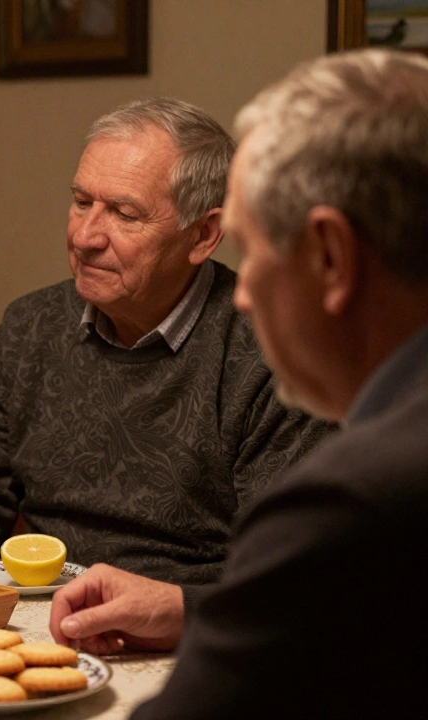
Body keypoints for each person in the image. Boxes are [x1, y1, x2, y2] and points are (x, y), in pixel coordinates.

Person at [50, 48, 428, 719]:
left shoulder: (358, 496)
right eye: (80, 202)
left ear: (332, 257)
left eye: (254, 254)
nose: (243, 295)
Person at [0, 98, 332, 584]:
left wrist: (176, 612)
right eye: (80, 202)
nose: (85, 236)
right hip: (44, 614)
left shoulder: (272, 352)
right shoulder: (31, 326)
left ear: (203, 235)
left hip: (193, 633)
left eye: (124, 213)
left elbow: (285, 567)